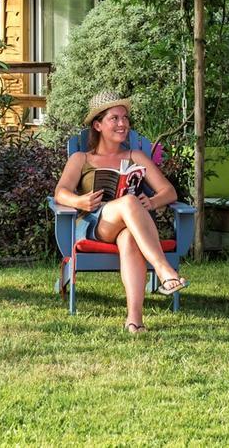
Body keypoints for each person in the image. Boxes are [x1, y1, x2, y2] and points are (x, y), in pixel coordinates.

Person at [54, 90, 187, 334]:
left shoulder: (136, 155)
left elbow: (169, 192)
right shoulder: (81, 158)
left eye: (125, 118)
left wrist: (153, 202)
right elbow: (60, 192)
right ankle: (164, 269)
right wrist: (80, 201)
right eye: (114, 118)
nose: (122, 124)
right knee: (128, 202)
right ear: (98, 125)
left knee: (128, 237)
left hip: (130, 225)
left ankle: (134, 321)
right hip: (95, 225)